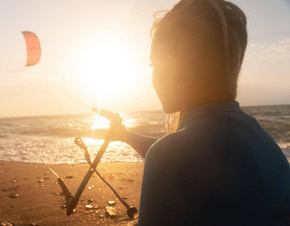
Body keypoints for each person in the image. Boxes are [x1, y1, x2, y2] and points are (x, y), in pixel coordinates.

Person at [110, 0, 290, 225]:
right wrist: (125, 134)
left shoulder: (170, 155)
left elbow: (177, 157)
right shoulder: (266, 147)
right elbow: (196, 158)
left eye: (153, 65)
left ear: (172, 68)